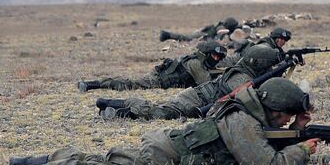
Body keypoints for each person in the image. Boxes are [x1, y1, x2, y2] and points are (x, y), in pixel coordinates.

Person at [4, 77, 317, 165]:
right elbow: (265, 164)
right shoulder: (243, 120)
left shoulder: (247, 113)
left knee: (104, 160)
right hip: (165, 158)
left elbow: (265, 144)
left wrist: (298, 131)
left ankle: (34, 161)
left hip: (166, 150)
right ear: (274, 109)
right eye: (286, 117)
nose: (285, 123)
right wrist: (302, 149)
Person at [95, 27, 299, 121]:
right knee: (161, 112)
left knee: (161, 111)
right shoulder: (241, 78)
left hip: (198, 97)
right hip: (195, 98)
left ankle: (116, 110)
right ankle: (113, 103)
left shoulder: (244, 71)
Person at [77, 40, 227, 92]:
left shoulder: (199, 61)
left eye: (218, 58)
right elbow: (206, 83)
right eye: (214, 56)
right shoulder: (195, 63)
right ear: (206, 53)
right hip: (158, 81)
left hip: (162, 79)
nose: (215, 59)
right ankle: (92, 84)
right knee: (128, 84)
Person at [158, 16, 239, 43]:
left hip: (203, 33)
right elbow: (220, 34)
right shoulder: (221, 27)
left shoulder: (221, 25)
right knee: (185, 38)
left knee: (185, 37)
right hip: (203, 35)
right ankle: (166, 35)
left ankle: (166, 35)